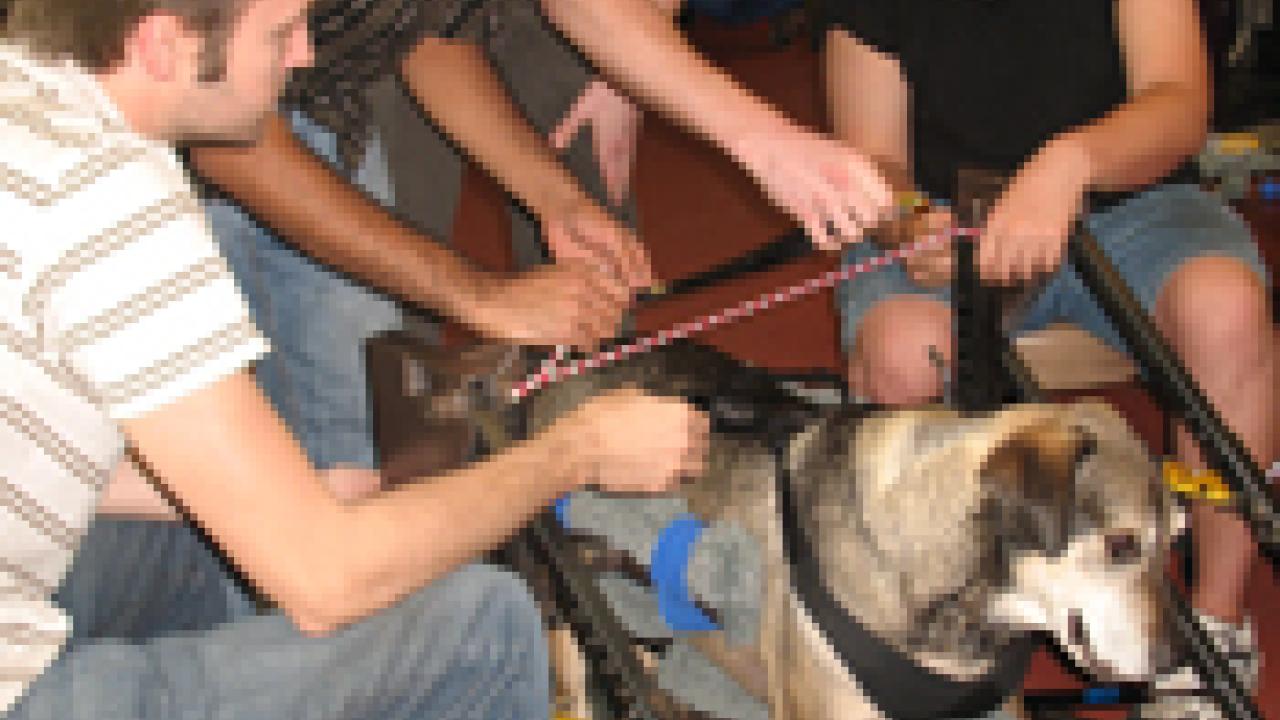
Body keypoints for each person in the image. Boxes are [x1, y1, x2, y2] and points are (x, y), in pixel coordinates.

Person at [0, 1, 711, 717]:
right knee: (483, 626)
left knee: (213, 546)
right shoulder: (111, 199)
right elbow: (326, 580)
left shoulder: (27, 92)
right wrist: (578, 453)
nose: (307, 54)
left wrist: (297, 493)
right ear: (162, 44)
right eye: (279, 33)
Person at [825, 1, 1275, 718]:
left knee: (1226, 310)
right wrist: (906, 220)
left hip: (1133, 201)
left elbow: (1180, 104)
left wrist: (1070, 163)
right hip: (957, 215)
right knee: (903, 355)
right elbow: (873, 153)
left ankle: (1214, 628)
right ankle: (930, 630)